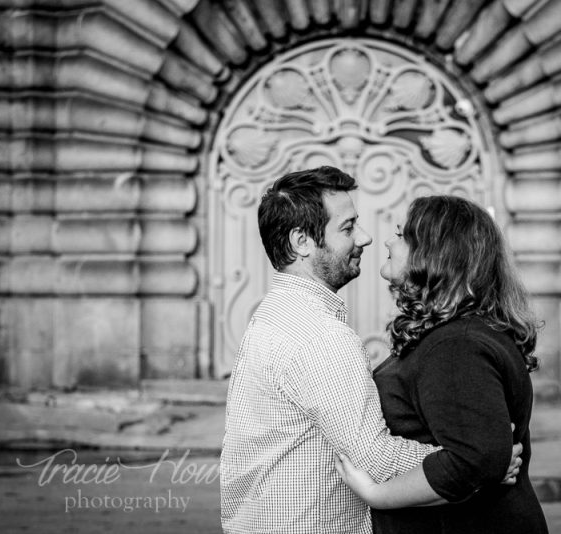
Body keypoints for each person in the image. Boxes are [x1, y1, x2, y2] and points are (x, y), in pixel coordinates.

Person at [220, 167, 523, 534]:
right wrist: (483, 463)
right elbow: (374, 458)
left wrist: (475, 459)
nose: (364, 238)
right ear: (301, 241)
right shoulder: (319, 335)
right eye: (347, 228)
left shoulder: (271, 315)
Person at [335, 195, 549, 533]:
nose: (388, 240)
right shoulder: (454, 335)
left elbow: (474, 461)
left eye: (402, 234)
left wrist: (377, 495)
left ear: (436, 254)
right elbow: (481, 455)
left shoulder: (455, 345)